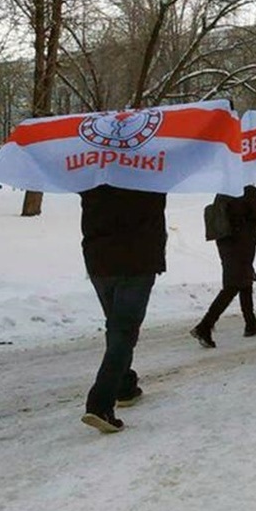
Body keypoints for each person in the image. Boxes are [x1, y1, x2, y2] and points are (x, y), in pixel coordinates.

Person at [79, 185, 166, 434]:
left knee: (116, 327)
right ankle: (100, 404)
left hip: (99, 260)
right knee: (123, 331)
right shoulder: (150, 173)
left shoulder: (93, 172)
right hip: (138, 259)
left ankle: (125, 385)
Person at [190, 185, 256, 348]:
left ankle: (251, 322)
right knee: (233, 285)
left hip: (225, 242)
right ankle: (204, 326)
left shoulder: (223, 189)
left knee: (244, 277)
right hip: (243, 241)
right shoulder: (247, 190)